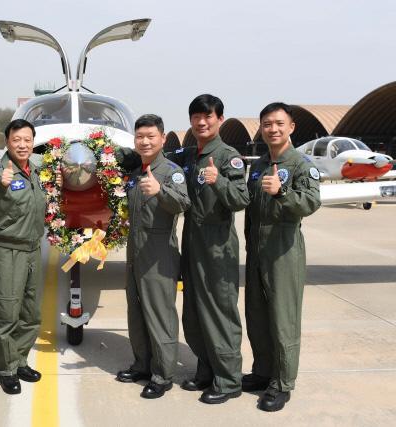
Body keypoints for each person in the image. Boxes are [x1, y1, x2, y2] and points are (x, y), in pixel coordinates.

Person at [116, 95, 249, 404]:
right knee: (193, 314)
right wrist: (109, 152)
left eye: (208, 116)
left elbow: (240, 200)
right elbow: (148, 155)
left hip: (215, 246)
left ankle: (228, 380)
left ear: (219, 118)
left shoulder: (227, 156)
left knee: (218, 312)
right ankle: (203, 370)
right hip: (190, 243)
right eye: (196, 117)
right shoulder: (189, 155)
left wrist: (219, 182)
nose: (201, 122)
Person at [243, 102, 320, 411]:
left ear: (291, 127)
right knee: (258, 316)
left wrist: (281, 193)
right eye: (267, 124)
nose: (272, 129)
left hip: (283, 252)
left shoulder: (301, 164)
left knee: (283, 319)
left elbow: (311, 202)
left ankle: (282, 382)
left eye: (278, 123)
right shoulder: (260, 164)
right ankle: (263, 372)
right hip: (257, 252)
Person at [115, 114, 191, 399]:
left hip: (159, 253)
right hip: (135, 250)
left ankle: (163, 374)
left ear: (162, 139)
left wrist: (161, 192)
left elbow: (184, 202)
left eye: (150, 136)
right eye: (139, 137)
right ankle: (142, 365)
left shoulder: (170, 172)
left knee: (159, 314)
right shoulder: (135, 172)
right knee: (136, 312)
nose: (144, 141)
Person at [0, 119, 48, 395]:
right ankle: (6, 369)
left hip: (32, 248)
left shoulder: (36, 171)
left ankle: (20, 360)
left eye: (28, 140)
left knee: (30, 312)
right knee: (7, 311)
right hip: (7, 249)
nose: (22, 144)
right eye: (17, 139)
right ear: (7, 141)